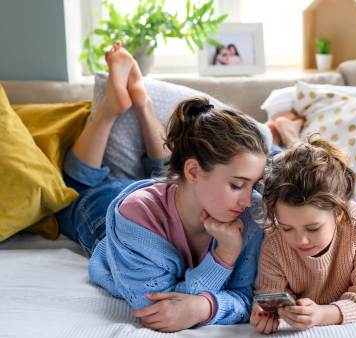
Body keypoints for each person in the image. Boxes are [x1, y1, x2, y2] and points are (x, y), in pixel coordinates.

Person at [56, 42, 270, 332]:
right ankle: (110, 109)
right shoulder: (132, 220)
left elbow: (247, 298)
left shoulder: (250, 210)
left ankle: (143, 103)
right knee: (74, 190)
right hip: (113, 213)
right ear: (194, 171)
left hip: (174, 191)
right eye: (237, 185)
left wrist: (203, 308)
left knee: (169, 173)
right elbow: (159, 309)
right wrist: (224, 257)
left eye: (253, 185)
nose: (249, 200)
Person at [250, 134, 356, 334]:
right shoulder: (274, 238)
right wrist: (266, 314)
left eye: (313, 228)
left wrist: (323, 314)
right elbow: (269, 293)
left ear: (338, 213)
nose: (300, 240)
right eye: (287, 228)